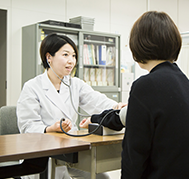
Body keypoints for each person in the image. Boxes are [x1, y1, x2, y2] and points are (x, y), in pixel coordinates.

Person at [82, 11, 189, 179]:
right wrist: (94, 119)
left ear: (138, 44)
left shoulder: (146, 86)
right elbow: (122, 115)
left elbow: (133, 158)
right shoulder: (181, 81)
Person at [17, 33, 124, 179]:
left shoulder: (75, 84)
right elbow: (27, 126)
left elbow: (97, 101)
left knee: (102, 177)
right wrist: (50, 129)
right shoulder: (32, 87)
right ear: (49, 57)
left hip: (70, 152)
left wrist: (117, 106)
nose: (71, 61)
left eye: (73, 56)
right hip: (43, 155)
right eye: (66, 55)